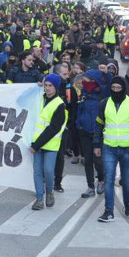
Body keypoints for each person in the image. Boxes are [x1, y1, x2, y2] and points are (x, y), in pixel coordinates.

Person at [94, 76, 129, 222]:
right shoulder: (104, 104)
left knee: (126, 180)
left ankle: (128, 205)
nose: (115, 91)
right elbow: (99, 125)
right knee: (108, 179)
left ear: (123, 89)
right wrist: (96, 144)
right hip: (109, 148)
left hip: (128, 149)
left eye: (118, 88)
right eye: (113, 88)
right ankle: (108, 211)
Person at [30, 73, 66, 210]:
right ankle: (39, 198)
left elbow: (53, 128)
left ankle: (49, 191)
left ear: (56, 87)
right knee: (37, 172)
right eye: (46, 85)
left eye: (50, 86)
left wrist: (36, 145)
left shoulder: (59, 105)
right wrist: (35, 87)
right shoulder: (39, 98)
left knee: (48, 170)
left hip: (49, 144)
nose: (47, 88)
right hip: (36, 143)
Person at [76, 70, 107, 197]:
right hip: (84, 131)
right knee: (88, 160)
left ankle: (101, 180)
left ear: (94, 81)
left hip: (97, 134)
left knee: (98, 160)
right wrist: (79, 124)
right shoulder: (84, 94)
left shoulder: (103, 96)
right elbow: (79, 110)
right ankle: (90, 187)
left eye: (86, 80)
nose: (83, 82)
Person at [53, 62, 78, 192]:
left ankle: (57, 182)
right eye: (64, 74)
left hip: (63, 129)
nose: (67, 76)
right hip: (47, 128)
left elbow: (73, 108)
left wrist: (68, 125)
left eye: (68, 73)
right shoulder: (49, 87)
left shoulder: (69, 89)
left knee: (59, 156)